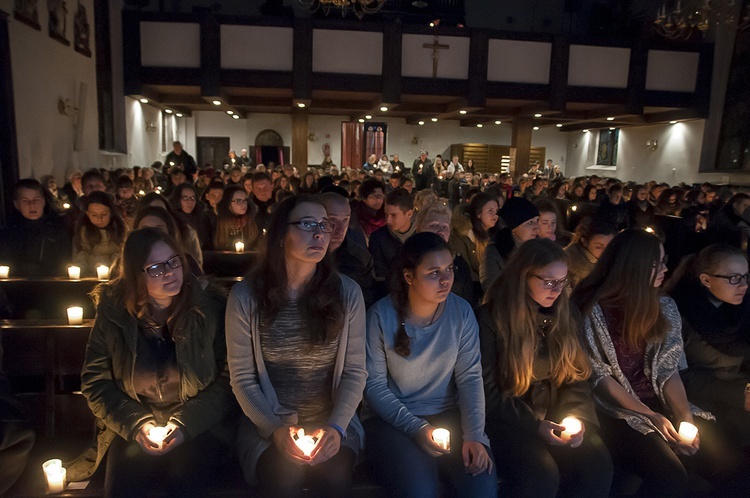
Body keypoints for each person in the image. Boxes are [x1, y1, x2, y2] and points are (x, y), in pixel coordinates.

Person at [572, 229, 750, 497]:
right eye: (659, 262)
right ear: (634, 264)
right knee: (670, 476)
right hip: (616, 410)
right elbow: (599, 377)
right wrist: (650, 416)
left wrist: (683, 417)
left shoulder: (664, 306)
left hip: (660, 402)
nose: (666, 268)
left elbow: (669, 369)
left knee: (731, 463)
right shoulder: (589, 308)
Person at [74, 228, 235, 496]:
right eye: (156, 268)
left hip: (200, 426)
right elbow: (95, 382)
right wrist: (137, 424)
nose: (170, 272)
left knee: (184, 485)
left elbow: (229, 379)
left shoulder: (210, 308)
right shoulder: (113, 312)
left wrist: (185, 425)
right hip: (134, 424)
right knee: (123, 488)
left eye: (174, 261)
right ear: (135, 275)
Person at [226, 195, 367, 496]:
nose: (318, 233)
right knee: (283, 476)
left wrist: (337, 427)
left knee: (334, 476)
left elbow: (355, 371)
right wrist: (274, 429)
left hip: (332, 420)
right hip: (267, 423)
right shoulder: (246, 296)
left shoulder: (347, 293)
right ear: (280, 234)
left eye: (324, 225)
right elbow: (242, 378)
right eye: (306, 224)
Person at [364, 232, 497, 497]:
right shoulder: (381, 316)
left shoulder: (461, 312)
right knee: (419, 490)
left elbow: (470, 377)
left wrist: (474, 435)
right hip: (391, 420)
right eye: (433, 272)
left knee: (480, 485)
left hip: (447, 413)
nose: (446, 279)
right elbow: (374, 386)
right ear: (409, 276)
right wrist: (418, 428)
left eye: (449, 269)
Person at [479, 238, 612, 497]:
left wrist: (576, 418)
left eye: (563, 282)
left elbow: (576, 375)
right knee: (540, 475)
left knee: (596, 466)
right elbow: (487, 389)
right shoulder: (491, 318)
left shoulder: (565, 312)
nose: (557, 290)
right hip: (509, 420)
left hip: (556, 414)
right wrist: (534, 425)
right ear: (522, 276)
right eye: (549, 281)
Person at [666, 244, 750, 448]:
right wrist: (740, 394)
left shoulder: (743, 308)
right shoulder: (679, 312)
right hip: (706, 398)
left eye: (746, 276)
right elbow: (676, 375)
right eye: (734, 278)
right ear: (706, 280)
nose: (744, 285)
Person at [0, 179, 72, 277]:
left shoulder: (58, 230)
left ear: (43, 201)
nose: (32, 205)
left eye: (36, 199)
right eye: (25, 201)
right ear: (17, 205)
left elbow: (64, 263)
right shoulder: (8, 235)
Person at [320, 191, 376, 308]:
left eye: (345, 220)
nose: (340, 230)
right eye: (332, 220)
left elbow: (364, 303)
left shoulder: (360, 259)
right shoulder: (302, 254)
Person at [414, 201, 476, 307]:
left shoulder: (458, 263)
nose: (440, 231)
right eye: (433, 225)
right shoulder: (407, 258)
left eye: (445, 227)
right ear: (419, 228)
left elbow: (468, 298)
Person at [480, 197, 539, 292]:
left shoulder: (539, 248)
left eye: (537, 221)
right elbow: (491, 287)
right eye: (530, 223)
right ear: (514, 228)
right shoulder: (497, 250)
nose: (536, 228)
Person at [450, 192, 498, 295]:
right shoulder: (462, 237)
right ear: (479, 213)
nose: (495, 215)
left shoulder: (495, 235)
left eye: (496, 211)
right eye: (490, 211)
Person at [73, 191, 127, 275]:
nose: (99, 219)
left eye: (104, 214)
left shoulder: (120, 231)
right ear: (87, 213)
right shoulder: (82, 233)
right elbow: (79, 256)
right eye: (94, 215)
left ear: (111, 212)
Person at [369, 188, 415, 285]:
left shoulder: (421, 236)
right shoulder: (378, 238)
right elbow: (379, 275)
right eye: (386, 215)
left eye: (394, 215)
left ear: (409, 214)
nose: (388, 220)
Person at [564, 217, 617, 288]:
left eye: (610, 246)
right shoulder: (568, 263)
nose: (606, 251)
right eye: (599, 247)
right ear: (584, 241)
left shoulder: (613, 262)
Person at [214, 185, 259, 251]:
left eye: (245, 200)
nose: (244, 204)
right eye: (238, 201)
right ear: (228, 203)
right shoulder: (218, 223)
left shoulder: (253, 221)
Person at [170, 183, 213, 250]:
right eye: (185, 198)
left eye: (193, 198)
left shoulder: (203, 219)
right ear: (177, 199)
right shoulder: (171, 219)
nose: (190, 201)